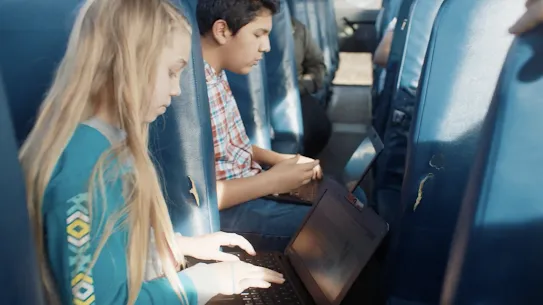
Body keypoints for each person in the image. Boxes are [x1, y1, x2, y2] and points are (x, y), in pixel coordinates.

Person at [19, 0, 284, 304]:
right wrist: (200, 283)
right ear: (130, 63)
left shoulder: (108, 145)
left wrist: (175, 246)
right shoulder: (83, 175)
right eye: (172, 72)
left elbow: (111, 252)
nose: (177, 90)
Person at [196, 0, 322, 251]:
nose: (266, 47)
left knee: (350, 203)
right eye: (259, 34)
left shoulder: (216, 74)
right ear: (222, 31)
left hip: (252, 185)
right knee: (330, 227)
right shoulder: (191, 89)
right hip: (229, 210)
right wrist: (273, 182)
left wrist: (279, 159)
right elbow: (197, 199)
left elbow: (228, 145)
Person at [291, 17, 332, 158]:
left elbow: (317, 66)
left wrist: (298, 88)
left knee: (319, 126)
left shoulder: (296, 28)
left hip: (295, 93)